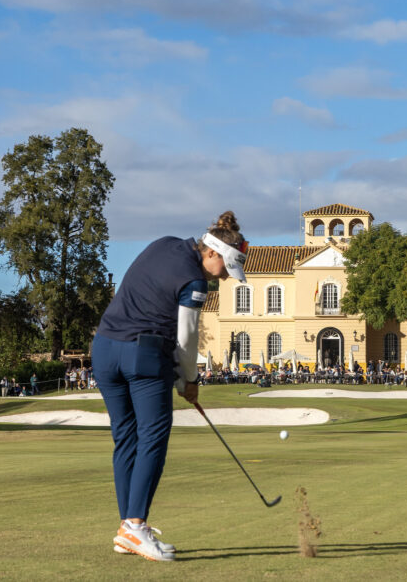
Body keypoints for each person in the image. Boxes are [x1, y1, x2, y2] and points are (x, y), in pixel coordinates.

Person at [92, 211, 247, 562]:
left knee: (126, 438)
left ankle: (126, 531)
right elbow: (188, 339)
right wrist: (189, 381)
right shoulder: (195, 282)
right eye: (225, 269)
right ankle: (135, 526)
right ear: (212, 253)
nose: (224, 278)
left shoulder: (163, 244)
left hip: (103, 348)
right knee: (153, 437)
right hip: (143, 355)